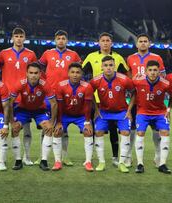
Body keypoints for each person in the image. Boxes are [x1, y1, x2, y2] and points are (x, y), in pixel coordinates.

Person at [83, 32, 129, 167]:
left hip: (113, 100)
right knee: (94, 129)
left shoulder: (118, 58)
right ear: (99, 42)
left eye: (107, 40)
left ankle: (115, 157)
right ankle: (90, 157)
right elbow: (82, 71)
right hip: (95, 100)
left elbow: (126, 76)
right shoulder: (91, 57)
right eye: (102, 40)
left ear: (111, 43)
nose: (105, 43)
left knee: (114, 130)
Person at [38, 30, 81, 166]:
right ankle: (42, 156)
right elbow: (40, 69)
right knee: (47, 125)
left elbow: (78, 71)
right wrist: (45, 82)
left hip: (66, 96)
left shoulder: (73, 54)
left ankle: (64, 156)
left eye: (63, 38)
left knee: (63, 127)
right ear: (55, 40)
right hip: (49, 96)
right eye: (58, 38)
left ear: (67, 40)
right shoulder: (47, 53)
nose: (61, 41)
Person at [0, 27, 38, 166]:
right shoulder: (3, 53)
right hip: (7, 97)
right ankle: (1, 158)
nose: (19, 38)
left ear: (24, 38)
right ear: (12, 38)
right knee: (4, 128)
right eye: (16, 36)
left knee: (26, 128)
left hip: (24, 97)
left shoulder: (31, 54)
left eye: (21, 36)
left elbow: (35, 74)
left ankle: (26, 157)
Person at [126, 33, 166, 167]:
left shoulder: (157, 58)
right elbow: (129, 79)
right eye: (140, 41)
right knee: (132, 129)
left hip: (153, 101)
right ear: (137, 44)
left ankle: (158, 155)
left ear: (149, 43)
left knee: (156, 130)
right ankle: (129, 155)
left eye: (145, 41)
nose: (143, 43)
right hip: (136, 99)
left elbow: (163, 77)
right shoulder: (130, 58)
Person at [9, 62, 58, 171]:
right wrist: (12, 122)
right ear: (26, 73)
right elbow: (10, 103)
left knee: (48, 129)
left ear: (40, 74)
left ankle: (44, 161)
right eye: (31, 73)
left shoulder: (45, 84)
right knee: (15, 129)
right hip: (23, 110)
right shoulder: (20, 83)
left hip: (39, 110)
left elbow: (54, 103)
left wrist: (51, 121)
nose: (33, 75)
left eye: (36, 73)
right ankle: (18, 161)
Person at [90, 56, 134, 173]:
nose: (108, 68)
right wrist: (96, 109)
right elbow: (89, 94)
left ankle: (122, 163)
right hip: (104, 112)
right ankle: (101, 162)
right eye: (106, 65)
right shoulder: (96, 80)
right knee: (98, 132)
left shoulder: (124, 79)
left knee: (125, 132)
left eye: (111, 65)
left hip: (122, 112)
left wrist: (129, 110)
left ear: (114, 66)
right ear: (101, 67)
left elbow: (134, 93)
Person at [132, 60, 172, 174]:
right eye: (150, 70)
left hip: (160, 113)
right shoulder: (138, 81)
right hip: (143, 112)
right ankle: (140, 164)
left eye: (155, 70)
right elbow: (128, 87)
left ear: (159, 72)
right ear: (145, 71)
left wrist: (169, 109)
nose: (152, 72)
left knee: (165, 133)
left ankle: (162, 164)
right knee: (140, 133)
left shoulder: (165, 83)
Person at [54, 62, 94, 172]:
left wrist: (87, 122)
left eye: (78, 72)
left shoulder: (87, 86)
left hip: (81, 116)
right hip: (65, 115)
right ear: (68, 73)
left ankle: (88, 162)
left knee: (88, 132)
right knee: (57, 131)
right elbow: (60, 106)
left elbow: (87, 106)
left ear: (82, 74)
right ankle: (58, 161)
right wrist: (59, 122)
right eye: (72, 72)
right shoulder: (61, 86)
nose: (75, 75)